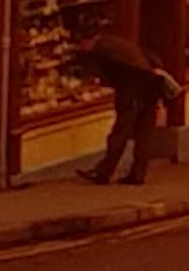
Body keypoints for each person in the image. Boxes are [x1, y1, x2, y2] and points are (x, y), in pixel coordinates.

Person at [75, 32, 175, 186]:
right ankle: (138, 173)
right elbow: (145, 56)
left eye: (81, 45)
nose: (81, 49)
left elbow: (107, 72)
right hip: (150, 88)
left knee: (120, 131)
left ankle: (104, 172)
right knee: (144, 133)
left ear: (87, 41)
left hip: (132, 91)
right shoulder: (117, 43)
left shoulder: (102, 49)